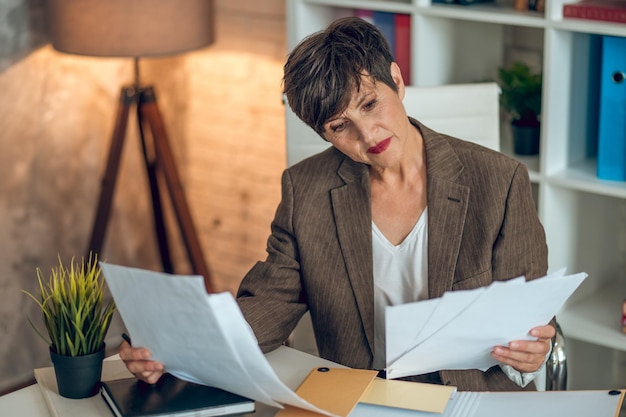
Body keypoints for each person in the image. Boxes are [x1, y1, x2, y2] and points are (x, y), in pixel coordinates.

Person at [121, 16, 554, 391]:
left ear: (397, 81)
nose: (368, 135)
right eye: (340, 125)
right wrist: (175, 343)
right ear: (324, 135)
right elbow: (267, 305)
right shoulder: (305, 190)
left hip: (469, 398)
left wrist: (531, 352)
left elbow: (528, 321)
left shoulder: (499, 181)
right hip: (358, 396)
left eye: (370, 104)